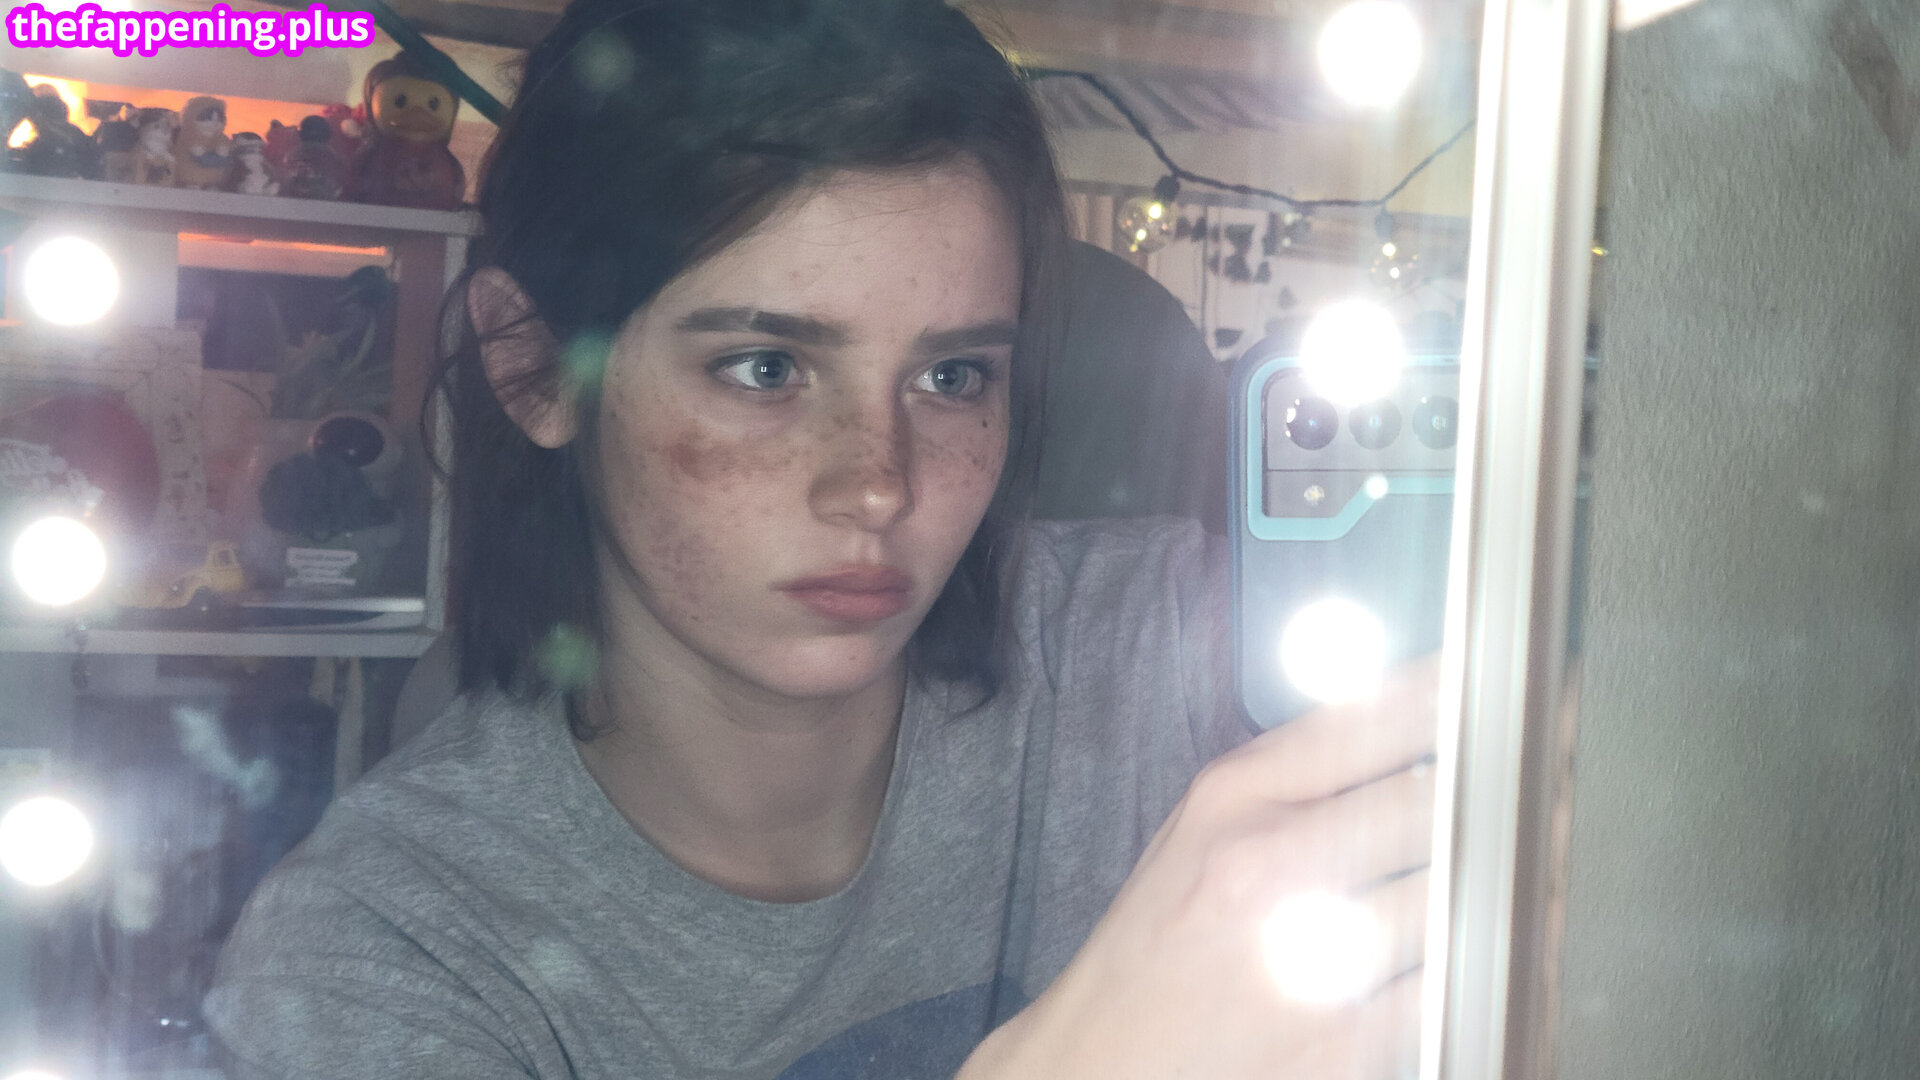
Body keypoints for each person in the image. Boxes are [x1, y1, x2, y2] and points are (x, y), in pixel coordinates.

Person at [204, 1, 1435, 1077]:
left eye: (952, 376)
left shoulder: (1164, 657)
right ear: (532, 367)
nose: (878, 485)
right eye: (765, 368)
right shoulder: (382, 958)